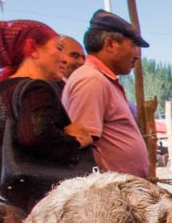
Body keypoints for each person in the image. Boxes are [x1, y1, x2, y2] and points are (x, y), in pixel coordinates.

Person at [0, 20, 94, 211]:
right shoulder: (36, 89)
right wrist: (76, 140)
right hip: (42, 205)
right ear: (33, 49)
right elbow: (34, 136)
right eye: (58, 48)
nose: (64, 58)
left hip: (12, 202)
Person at [62, 10, 150, 178]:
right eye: (133, 45)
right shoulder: (91, 80)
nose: (137, 55)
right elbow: (82, 143)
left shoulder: (102, 80)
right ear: (110, 44)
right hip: (108, 197)